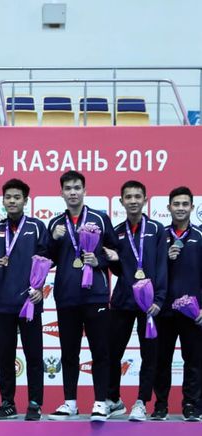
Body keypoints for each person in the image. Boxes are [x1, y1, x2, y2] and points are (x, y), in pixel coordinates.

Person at [46, 170, 116, 422]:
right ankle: (70, 403)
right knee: (69, 352)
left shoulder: (100, 218)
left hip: (95, 295)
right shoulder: (55, 224)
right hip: (66, 297)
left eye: (77, 187)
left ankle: (100, 403)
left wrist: (100, 260)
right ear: (61, 193)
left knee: (100, 351)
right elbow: (45, 259)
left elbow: (116, 253)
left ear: (85, 190)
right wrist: (53, 241)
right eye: (68, 188)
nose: (73, 192)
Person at [104, 180, 167, 422]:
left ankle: (141, 402)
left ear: (145, 199)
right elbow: (119, 271)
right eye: (128, 197)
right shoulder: (117, 231)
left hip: (150, 304)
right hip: (122, 302)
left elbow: (162, 266)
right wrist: (112, 259)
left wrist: (159, 300)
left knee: (149, 354)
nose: (132, 200)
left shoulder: (157, 229)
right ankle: (114, 399)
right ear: (121, 202)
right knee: (112, 352)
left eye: (137, 196)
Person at [0, 179, 47, 421]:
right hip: (2, 302)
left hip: (30, 302)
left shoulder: (37, 227)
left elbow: (45, 261)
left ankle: (34, 404)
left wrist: (40, 289)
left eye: (17, 197)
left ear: (25, 200)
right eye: (8, 197)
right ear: (3, 200)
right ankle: (7, 403)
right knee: (5, 356)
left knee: (34, 355)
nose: (12, 201)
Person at [151, 186, 202, 421]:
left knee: (194, 361)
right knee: (161, 361)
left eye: (185, 204)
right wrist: (166, 259)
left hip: (193, 312)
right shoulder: (160, 236)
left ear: (192, 207)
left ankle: (191, 405)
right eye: (176, 204)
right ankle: (160, 405)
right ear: (168, 207)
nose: (180, 208)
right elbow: (150, 272)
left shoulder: (200, 236)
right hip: (164, 310)